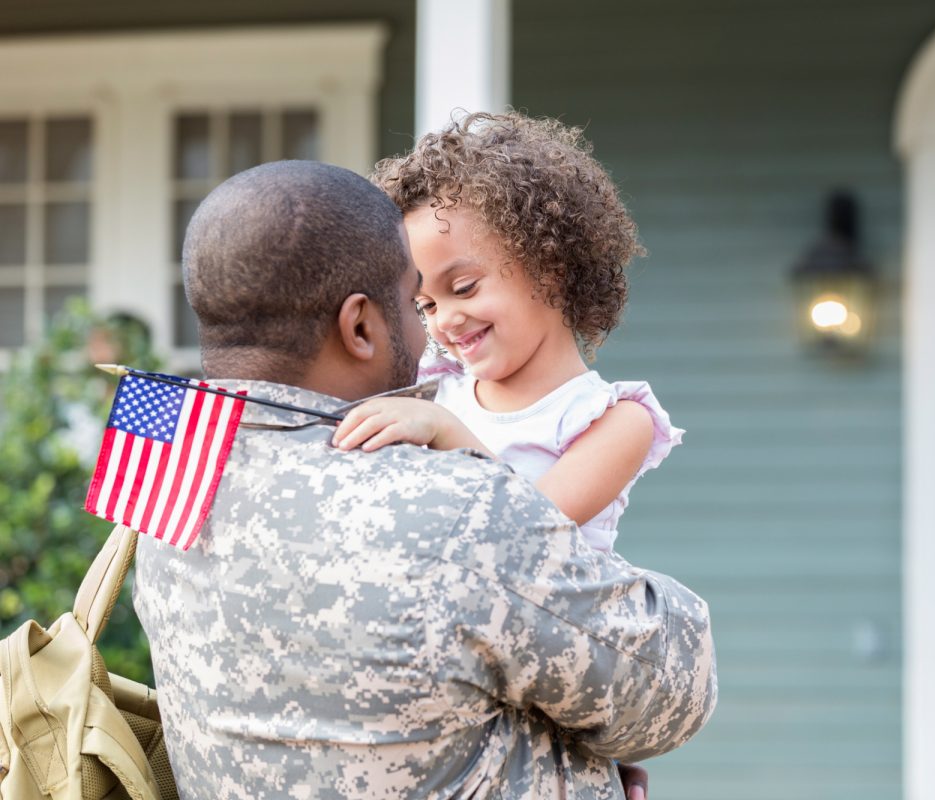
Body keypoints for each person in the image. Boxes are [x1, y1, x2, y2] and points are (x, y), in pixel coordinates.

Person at [132, 160, 717, 800]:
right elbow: (673, 691)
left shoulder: (165, 466)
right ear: (360, 326)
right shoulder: (456, 498)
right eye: (417, 303)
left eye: (457, 290)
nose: (432, 330)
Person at [331, 112, 680, 553]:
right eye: (427, 305)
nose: (446, 320)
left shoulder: (614, 421)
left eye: (464, 288)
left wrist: (444, 430)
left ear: (549, 267)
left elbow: (528, 532)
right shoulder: (432, 390)